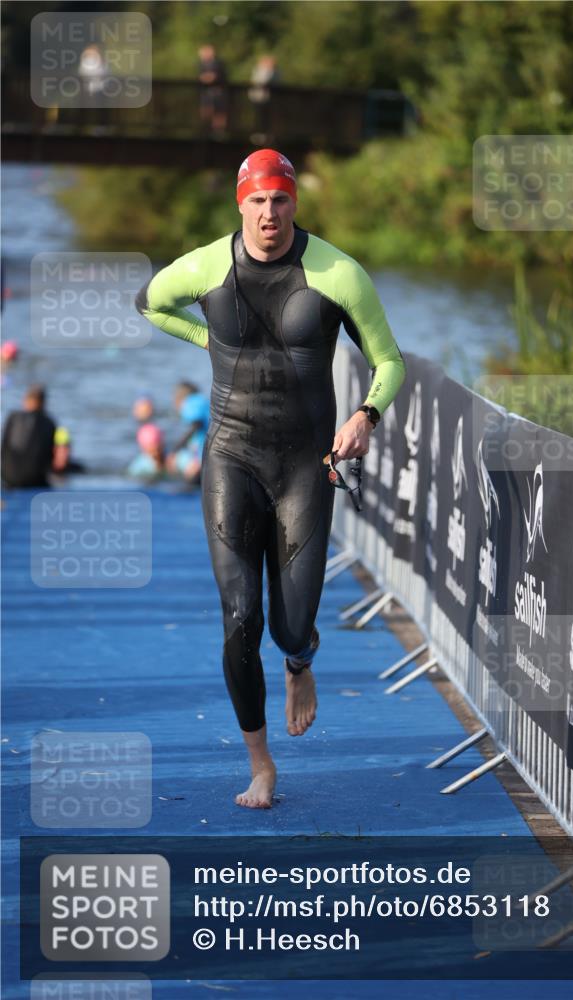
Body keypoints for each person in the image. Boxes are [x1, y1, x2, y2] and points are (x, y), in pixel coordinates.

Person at [135, 149, 405, 809]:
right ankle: (260, 766)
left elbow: (389, 361)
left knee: (289, 626)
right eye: (257, 201)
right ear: (240, 204)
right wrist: (205, 342)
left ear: (293, 204)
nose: (268, 214)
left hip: (303, 465)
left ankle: (299, 662)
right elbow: (150, 302)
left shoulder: (337, 271)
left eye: (279, 200)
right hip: (230, 455)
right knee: (238, 618)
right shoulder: (204, 266)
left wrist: (367, 415)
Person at [1, 384, 57, 489]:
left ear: (25, 401)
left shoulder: (12, 418)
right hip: (35, 481)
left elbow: (4, 448)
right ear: (43, 403)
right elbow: (50, 457)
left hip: (9, 480)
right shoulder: (49, 423)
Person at [166, 391, 209, 485]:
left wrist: (175, 450)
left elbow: (196, 424)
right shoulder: (203, 400)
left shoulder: (190, 403)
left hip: (203, 458)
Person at [197, 44, 228, 132]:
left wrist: (208, 78)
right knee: (206, 112)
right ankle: (205, 132)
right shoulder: (201, 64)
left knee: (219, 114)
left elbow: (213, 77)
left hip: (219, 94)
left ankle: (218, 133)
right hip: (206, 94)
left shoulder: (219, 63)